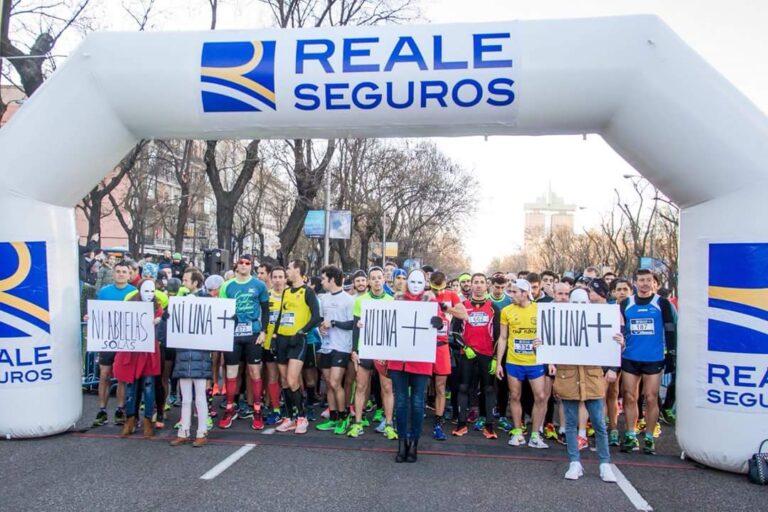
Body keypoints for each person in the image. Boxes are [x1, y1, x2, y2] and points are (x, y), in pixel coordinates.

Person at [389, 268, 444, 462]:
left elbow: (442, 327)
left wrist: (439, 323)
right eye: (411, 281)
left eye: (419, 282)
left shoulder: (431, 302)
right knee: (402, 402)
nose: (415, 286)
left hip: (421, 362)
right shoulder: (396, 300)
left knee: (418, 403)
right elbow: (387, 324)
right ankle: (402, 441)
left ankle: (414, 442)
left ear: (425, 284)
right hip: (399, 361)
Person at [620, 269, 677, 455]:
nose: (644, 283)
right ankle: (630, 434)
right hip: (630, 357)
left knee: (651, 397)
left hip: (653, 358)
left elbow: (670, 329)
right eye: (641, 280)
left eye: (648, 280)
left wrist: (672, 353)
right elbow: (619, 328)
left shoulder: (662, 303)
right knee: (630, 396)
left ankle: (650, 437)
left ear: (654, 283)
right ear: (635, 282)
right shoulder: (626, 303)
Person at [217, 254, 270, 431]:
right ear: (236, 265)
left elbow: (265, 310)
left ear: (251, 266)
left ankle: (256, 410)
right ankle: (230, 408)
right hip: (232, 334)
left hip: (253, 333)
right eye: (242, 263)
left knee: (255, 371)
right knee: (232, 372)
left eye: (248, 263)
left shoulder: (259, 285)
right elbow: (220, 310)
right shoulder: (227, 286)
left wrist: (263, 331)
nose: (245, 265)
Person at [495, 279, 550, 449]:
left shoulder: (539, 309)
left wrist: (545, 348)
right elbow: (503, 337)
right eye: (510, 292)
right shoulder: (506, 311)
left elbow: (548, 334)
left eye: (514, 292)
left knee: (540, 396)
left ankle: (535, 434)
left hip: (534, 362)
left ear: (524, 293)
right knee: (514, 396)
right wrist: (499, 363)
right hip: (514, 361)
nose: (510, 295)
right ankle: (517, 432)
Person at [273, 259, 321, 434]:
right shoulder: (286, 292)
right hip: (282, 340)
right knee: (284, 381)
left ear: (298, 270)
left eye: (289, 268)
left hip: (297, 340)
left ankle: (302, 416)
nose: (287, 271)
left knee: (293, 379)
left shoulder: (307, 292)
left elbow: (316, 317)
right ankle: (290, 417)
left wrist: (301, 332)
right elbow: (281, 314)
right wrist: (274, 336)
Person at [347, 266, 393, 438]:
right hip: (364, 348)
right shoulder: (361, 300)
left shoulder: (392, 300)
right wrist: (354, 350)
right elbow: (355, 326)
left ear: (384, 280)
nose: (376, 280)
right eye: (372, 278)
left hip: (383, 350)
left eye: (379, 277)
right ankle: (357, 423)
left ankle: (388, 423)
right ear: (369, 281)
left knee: (387, 387)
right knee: (360, 386)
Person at [453, 273, 500, 439]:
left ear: (486, 286)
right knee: (464, 387)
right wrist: (465, 347)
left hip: (487, 354)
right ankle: (461, 424)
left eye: (482, 282)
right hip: (468, 354)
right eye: (476, 282)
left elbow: (499, 335)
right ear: (471, 285)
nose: (479, 286)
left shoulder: (494, 307)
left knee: (488, 389)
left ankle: (489, 426)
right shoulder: (462, 306)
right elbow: (454, 331)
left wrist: (495, 358)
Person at [170, 268, 212, 447]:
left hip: (199, 356)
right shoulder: (181, 301)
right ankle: (184, 431)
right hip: (184, 355)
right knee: (186, 398)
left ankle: (202, 431)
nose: (183, 283)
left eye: (186, 280)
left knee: (200, 397)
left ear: (195, 283)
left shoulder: (207, 301)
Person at [115, 279, 162, 438]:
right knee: (131, 388)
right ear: (139, 290)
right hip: (133, 353)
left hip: (149, 354)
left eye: (152, 291)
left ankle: (148, 421)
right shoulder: (129, 305)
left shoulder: (158, 308)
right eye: (146, 290)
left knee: (149, 388)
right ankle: (130, 420)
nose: (149, 294)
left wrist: (159, 321)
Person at [90, 261, 135, 427]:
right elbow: (98, 313)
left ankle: (120, 410)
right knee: (104, 375)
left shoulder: (134, 292)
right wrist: (90, 317)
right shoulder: (104, 291)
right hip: (107, 340)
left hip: (126, 340)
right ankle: (102, 410)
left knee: (122, 377)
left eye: (124, 271)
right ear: (113, 274)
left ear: (129, 275)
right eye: (118, 271)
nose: (121, 274)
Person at [426, 271, 467, 441]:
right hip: (424, 345)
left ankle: (438, 422)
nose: (437, 292)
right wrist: (426, 298)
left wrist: (446, 307)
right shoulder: (426, 294)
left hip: (442, 346)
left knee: (441, 387)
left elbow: (464, 315)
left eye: (440, 288)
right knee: (421, 385)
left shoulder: (451, 295)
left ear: (446, 284)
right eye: (434, 288)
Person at [315, 265, 355, 435]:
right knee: (329, 384)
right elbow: (321, 319)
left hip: (342, 346)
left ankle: (343, 416)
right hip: (326, 345)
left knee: (335, 382)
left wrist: (334, 323)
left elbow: (352, 323)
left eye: (324, 278)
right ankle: (333, 417)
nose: (322, 281)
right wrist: (321, 327)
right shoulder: (323, 298)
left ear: (332, 279)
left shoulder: (348, 299)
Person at [263, 266, 287, 425]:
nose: (278, 280)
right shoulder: (266, 296)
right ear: (271, 279)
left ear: (286, 279)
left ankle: (292, 407)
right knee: (272, 376)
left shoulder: (291, 295)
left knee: (288, 377)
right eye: (275, 277)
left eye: (281, 277)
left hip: (286, 342)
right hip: (268, 342)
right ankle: (276, 408)